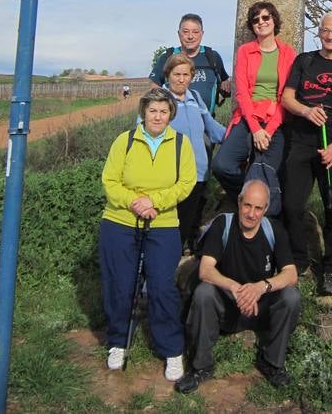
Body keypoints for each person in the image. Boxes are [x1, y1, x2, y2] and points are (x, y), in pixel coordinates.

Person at [99, 88, 196, 380]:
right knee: (120, 283)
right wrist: (134, 203)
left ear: (171, 114)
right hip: (120, 220)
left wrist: (155, 202)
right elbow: (110, 180)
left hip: (163, 223)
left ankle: (172, 349)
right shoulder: (125, 141)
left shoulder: (181, 144)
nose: (157, 116)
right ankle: (117, 341)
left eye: (163, 111)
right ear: (144, 112)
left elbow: (186, 182)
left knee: (162, 286)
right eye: (152, 111)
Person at [177, 180, 300, 394]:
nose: (251, 213)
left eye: (258, 208)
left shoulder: (274, 230)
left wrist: (261, 287)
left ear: (265, 210)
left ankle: (271, 362)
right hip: (227, 307)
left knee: (291, 297)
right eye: (247, 205)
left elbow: (291, 274)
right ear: (239, 201)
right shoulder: (223, 225)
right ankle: (200, 367)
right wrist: (236, 288)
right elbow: (205, 270)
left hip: (258, 307)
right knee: (204, 292)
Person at [281, 12, 332, 295]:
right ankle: (299, 260)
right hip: (302, 143)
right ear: (319, 32)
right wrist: (306, 110)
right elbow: (287, 98)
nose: (330, 36)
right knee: (292, 206)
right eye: (325, 30)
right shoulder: (304, 61)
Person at [211, 2, 296, 200]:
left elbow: (286, 96)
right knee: (222, 165)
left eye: (266, 17)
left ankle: (264, 214)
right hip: (249, 117)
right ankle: (245, 198)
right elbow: (241, 93)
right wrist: (256, 129)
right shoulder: (245, 51)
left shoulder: (288, 53)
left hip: (276, 118)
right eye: (256, 20)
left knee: (268, 172)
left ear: (274, 20)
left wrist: (269, 129)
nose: (261, 22)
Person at [161, 52, 226, 251]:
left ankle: (187, 260)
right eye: (176, 74)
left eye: (186, 75)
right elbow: (144, 132)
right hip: (172, 175)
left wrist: (240, 138)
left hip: (199, 172)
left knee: (191, 221)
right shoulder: (159, 101)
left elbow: (212, 127)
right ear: (168, 75)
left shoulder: (195, 98)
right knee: (172, 225)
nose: (181, 79)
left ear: (191, 76)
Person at [149, 13, 231, 115]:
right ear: (179, 34)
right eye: (186, 32)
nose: (190, 36)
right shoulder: (168, 57)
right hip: (174, 125)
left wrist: (226, 83)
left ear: (202, 34)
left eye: (195, 32)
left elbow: (224, 80)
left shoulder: (212, 57)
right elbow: (155, 85)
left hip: (206, 125)